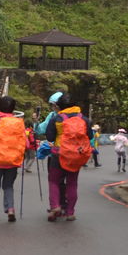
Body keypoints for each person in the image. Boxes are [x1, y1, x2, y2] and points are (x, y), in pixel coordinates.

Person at [44, 93, 93, 222]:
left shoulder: (57, 118)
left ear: (59, 105)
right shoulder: (84, 119)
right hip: (76, 155)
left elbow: (49, 137)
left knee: (54, 181)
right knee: (72, 183)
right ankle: (70, 212)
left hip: (59, 153)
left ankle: (55, 206)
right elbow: (90, 136)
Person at [0, 96, 27, 221]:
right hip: (12, 161)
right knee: (8, 186)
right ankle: (10, 208)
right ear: (13, 108)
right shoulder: (18, 123)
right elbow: (26, 143)